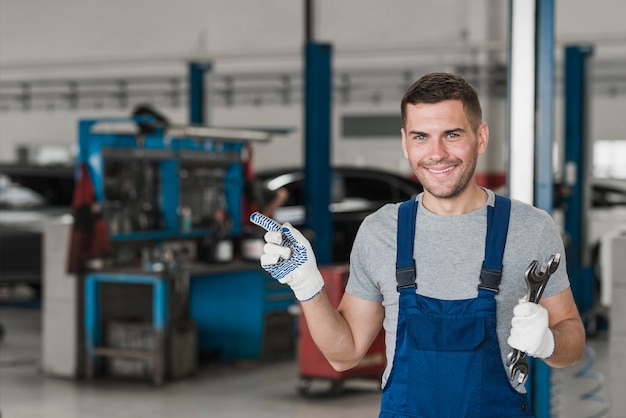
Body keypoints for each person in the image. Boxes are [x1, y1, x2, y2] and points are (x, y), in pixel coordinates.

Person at [250, 72, 585, 417]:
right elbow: (345, 353)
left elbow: (572, 338)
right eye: (421, 137)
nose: (436, 153)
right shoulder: (381, 231)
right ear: (405, 142)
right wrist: (307, 284)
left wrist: (549, 342)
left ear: (480, 137)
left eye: (452, 135)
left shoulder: (530, 228)